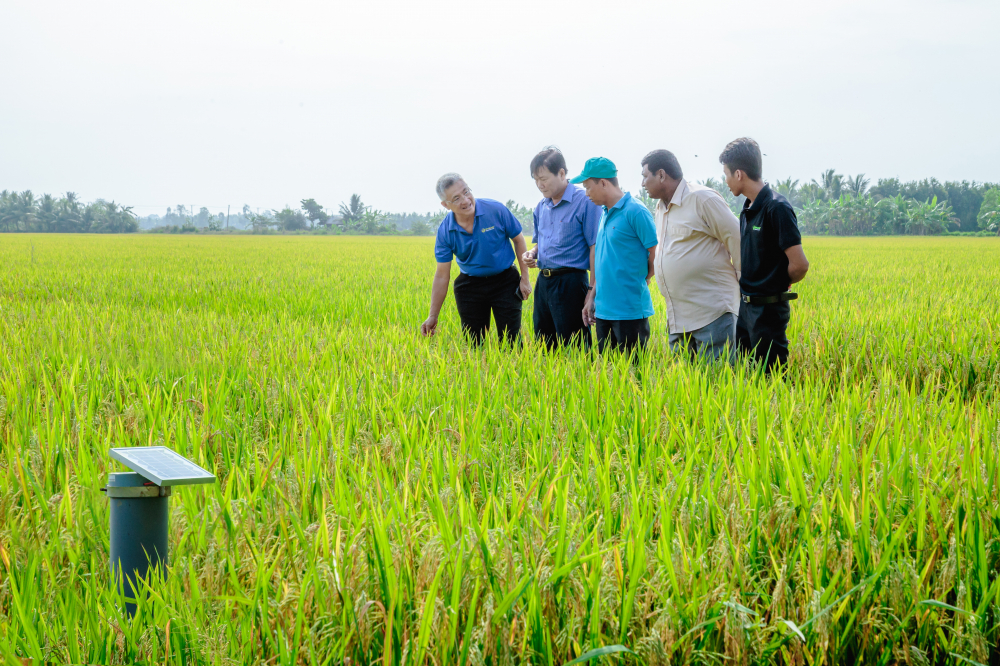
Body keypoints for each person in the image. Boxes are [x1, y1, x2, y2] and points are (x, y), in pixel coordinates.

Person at [718, 137, 810, 372]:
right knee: (749, 378)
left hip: (768, 312)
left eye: (726, 174)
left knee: (772, 378)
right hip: (746, 308)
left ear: (739, 174)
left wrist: (772, 285)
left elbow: (799, 265)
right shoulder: (747, 208)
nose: (726, 181)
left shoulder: (776, 207)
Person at [640, 149, 741, 361]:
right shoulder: (659, 208)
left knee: (718, 385)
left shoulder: (701, 199)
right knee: (687, 389)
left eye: (645, 176)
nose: (642, 184)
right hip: (678, 320)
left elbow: (737, 238)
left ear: (661, 174)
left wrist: (744, 286)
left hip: (712, 315)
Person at [420, 173, 532, 345]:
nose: (465, 200)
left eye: (466, 192)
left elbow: (518, 239)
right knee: (474, 344)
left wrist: (525, 278)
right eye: (456, 198)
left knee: (511, 342)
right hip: (470, 286)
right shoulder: (445, 231)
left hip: (505, 281)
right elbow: (442, 275)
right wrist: (433, 315)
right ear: (445, 205)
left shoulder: (495, 210)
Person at [576, 157, 658, 354]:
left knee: (634, 374)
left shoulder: (635, 211)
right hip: (604, 311)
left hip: (629, 312)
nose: (586, 194)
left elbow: (655, 254)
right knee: (610, 375)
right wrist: (591, 298)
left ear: (603, 182)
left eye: (588, 187)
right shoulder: (604, 213)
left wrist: (642, 278)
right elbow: (605, 261)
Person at [522, 147, 601, 349]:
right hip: (544, 282)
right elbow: (541, 242)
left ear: (562, 173)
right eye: (535, 180)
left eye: (544, 178)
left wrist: (592, 290)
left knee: (575, 347)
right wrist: (532, 254)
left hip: (571, 283)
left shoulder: (585, 201)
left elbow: (595, 247)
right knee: (544, 343)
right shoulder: (541, 207)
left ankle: (582, 380)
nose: (540, 184)